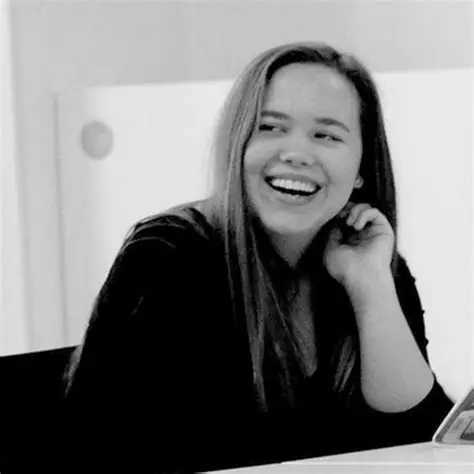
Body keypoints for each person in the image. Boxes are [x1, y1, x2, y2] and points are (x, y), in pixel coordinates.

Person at [61, 42, 453, 473]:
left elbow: (425, 440)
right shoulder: (169, 253)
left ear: (361, 168)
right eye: (270, 127)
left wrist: (370, 286)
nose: (296, 153)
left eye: (327, 135)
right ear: (239, 146)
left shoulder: (369, 260)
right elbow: (102, 448)